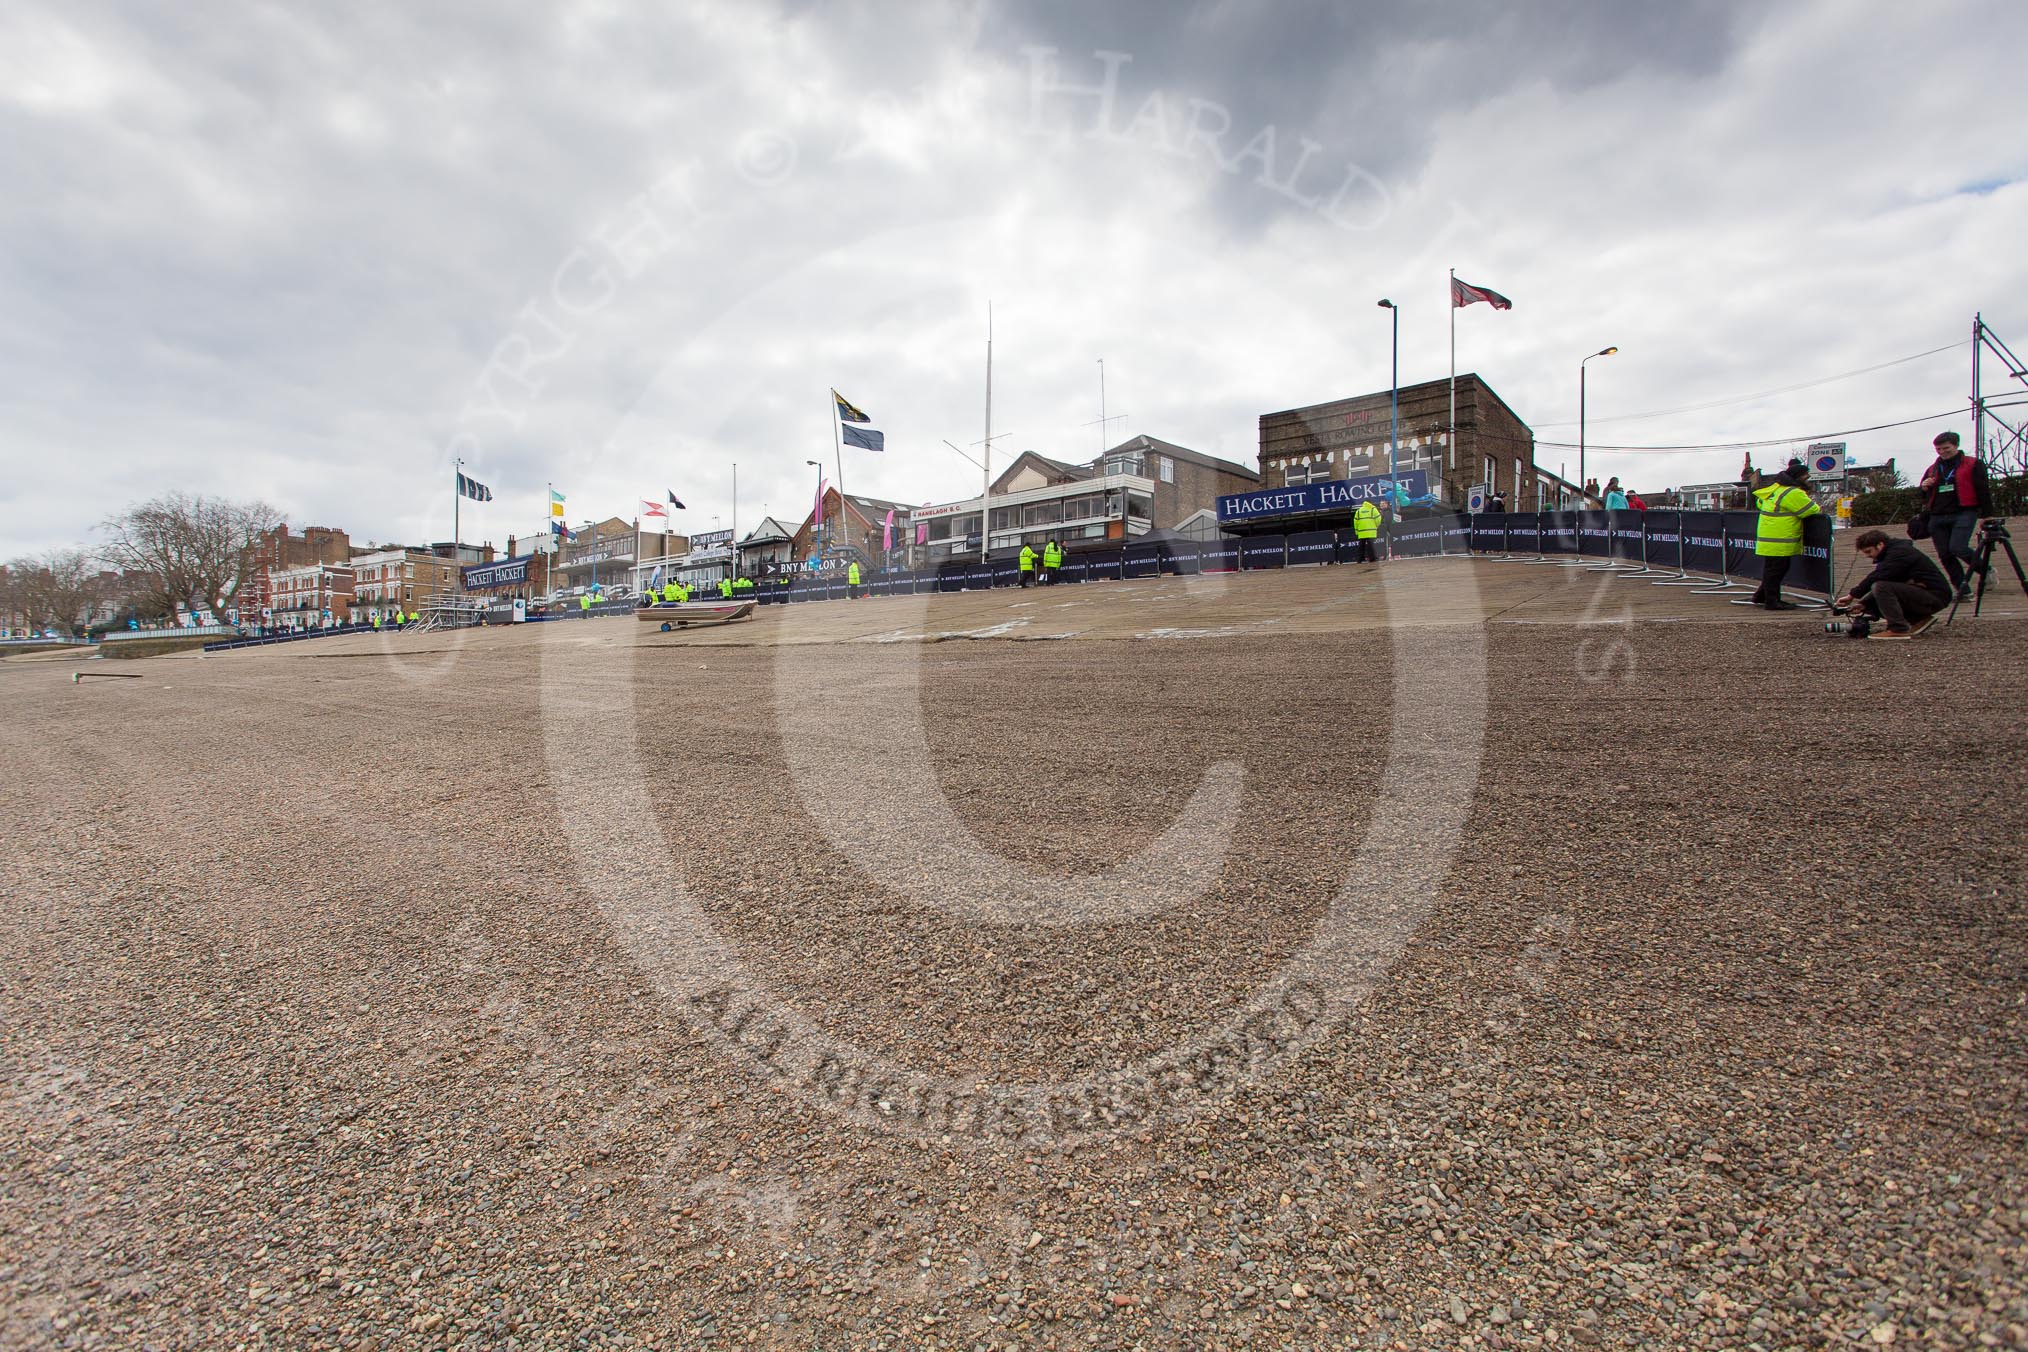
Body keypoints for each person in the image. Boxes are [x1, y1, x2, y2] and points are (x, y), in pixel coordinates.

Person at [1835, 528, 1950, 639]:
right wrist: (1864, 604)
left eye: (1869, 551)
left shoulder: (1899, 553)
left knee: (1880, 587)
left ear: (1880, 545)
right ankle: (1918, 619)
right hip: (1929, 595)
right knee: (1877, 594)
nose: (1868, 556)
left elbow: (1878, 576)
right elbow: (1892, 580)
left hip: (1935, 596)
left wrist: (1852, 595)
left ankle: (1898, 629)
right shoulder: (1895, 552)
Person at [1918, 431, 1993, 600]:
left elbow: (1983, 489)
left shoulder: (1973, 464)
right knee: (1945, 554)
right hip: (1937, 515)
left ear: (1956, 446)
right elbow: (1922, 495)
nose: (1942, 452)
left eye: (1946, 448)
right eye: (1939, 449)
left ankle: (1984, 569)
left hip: (1964, 511)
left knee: (1958, 547)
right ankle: (1962, 588)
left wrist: (1987, 515)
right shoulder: (1933, 469)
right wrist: (1924, 487)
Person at [1748, 463, 1822, 610]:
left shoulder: (1776, 489)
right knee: (1776, 570)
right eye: (1806, 476)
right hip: (1780, 538)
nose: (1809, 479)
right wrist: (1819, 507)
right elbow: (1811, 510)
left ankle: (1761, 596)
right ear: (1798, 477)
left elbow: (1760, 503)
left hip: (1770, 537)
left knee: (1773, 569)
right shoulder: (1793, 493)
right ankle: (1772, 601)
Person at [1352, 498, 1382, 563]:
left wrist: (1357, 531)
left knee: (1361, 546)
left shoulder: (1359, 510)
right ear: (1370, 503)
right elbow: (1378, 519)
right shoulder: (1373, 509)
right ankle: (1372, 559)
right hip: (1371, 531)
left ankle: (1359, 560)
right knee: (1371, 546)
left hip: (1361, 532)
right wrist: (1376, 525)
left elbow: (1355, 521)